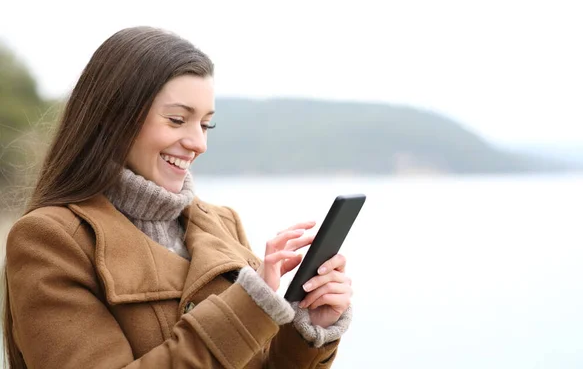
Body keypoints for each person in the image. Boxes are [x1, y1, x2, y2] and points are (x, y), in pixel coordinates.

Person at [2, 27, 353, 368]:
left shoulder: (222, 222)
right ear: (113, 118)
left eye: (205, 125)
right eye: (176, 119)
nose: (198, 144)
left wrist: (308, 332)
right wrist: (248, 305)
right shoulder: (49, 240)